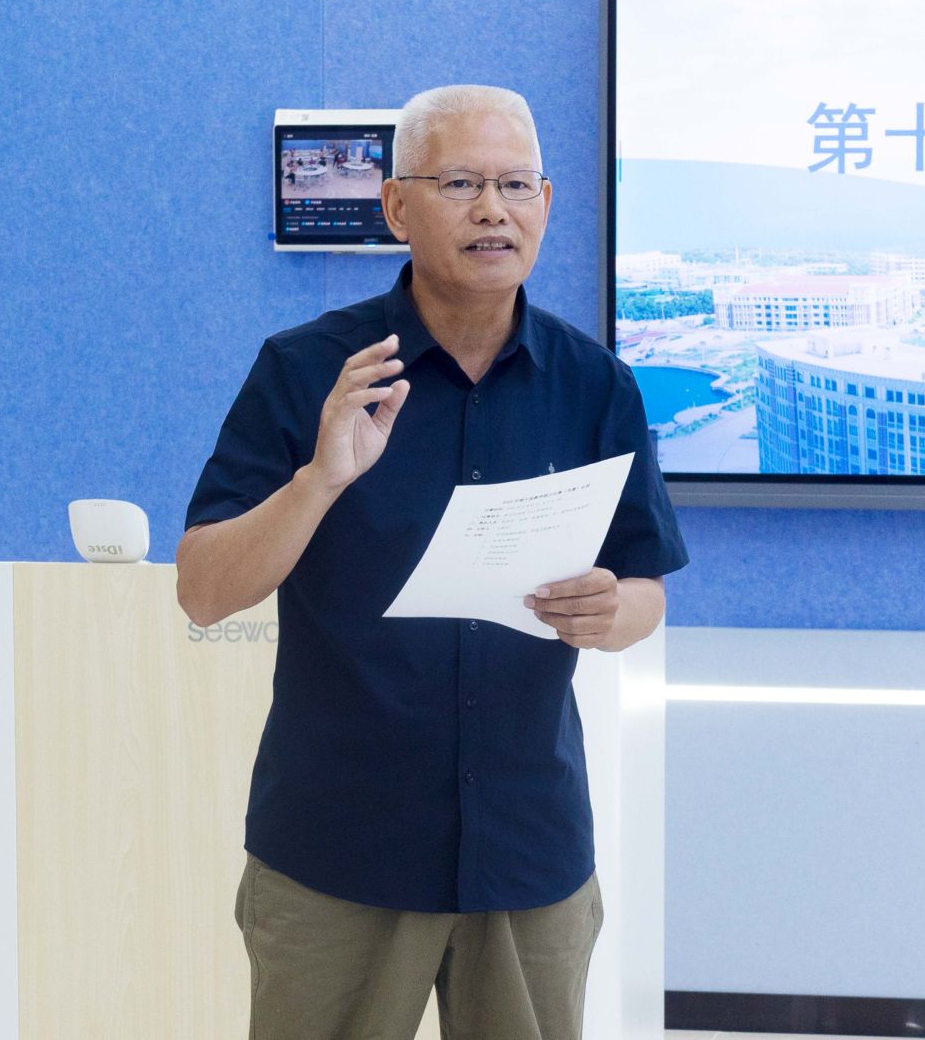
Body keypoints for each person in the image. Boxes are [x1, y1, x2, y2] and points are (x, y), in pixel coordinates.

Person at [176, 84, 687, 1040]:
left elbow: (644, 590)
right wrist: (319, 480)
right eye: (460, 183)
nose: (494, 210)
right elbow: (203, 589)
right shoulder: (307, 371)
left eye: (516, 184)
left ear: (547, 202)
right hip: (339, 847)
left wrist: (609, 611)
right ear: (397, 206)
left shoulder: (597, 387)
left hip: (527, 847)